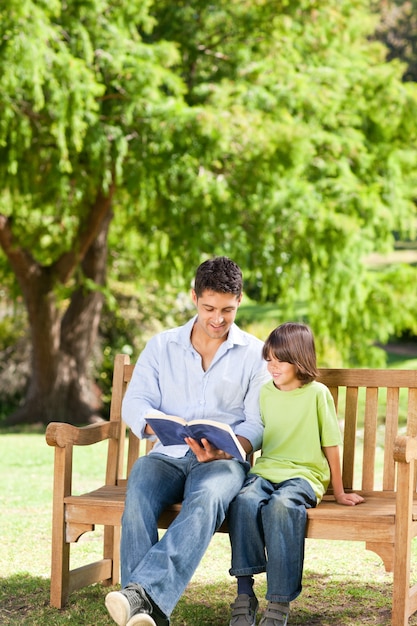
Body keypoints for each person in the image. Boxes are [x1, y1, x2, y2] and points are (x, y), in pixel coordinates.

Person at [105, 256, 269, 626]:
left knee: (207, 499)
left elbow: (257, 422)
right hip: (167, 453)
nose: (218, 318)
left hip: (222, 461)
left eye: (227, 309)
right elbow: (135, 401)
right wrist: (152, 426)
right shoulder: (162, 346)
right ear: (194, 297)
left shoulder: (254, 354)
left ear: (239, 300)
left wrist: (234, 444)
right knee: (140, 492)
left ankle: (137, 597)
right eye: (209, 307)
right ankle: (145, 609)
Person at [228, 322, 364, 626]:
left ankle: (278, 601)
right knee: (244, 502)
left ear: (299, 360)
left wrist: (338, 492)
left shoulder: (317, 394)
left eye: (281, 360)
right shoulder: (264, 393)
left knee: (280, 507)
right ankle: (244, 593)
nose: (273, 366)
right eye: (269, 359)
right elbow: (256, 432)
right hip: (267, 470)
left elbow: (331, 444)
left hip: (304, 475)